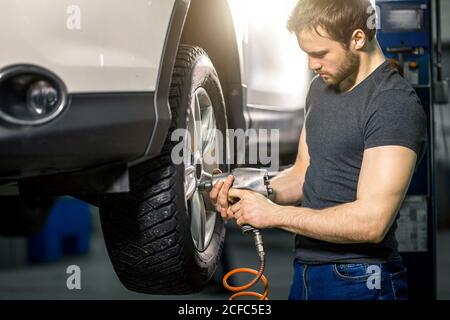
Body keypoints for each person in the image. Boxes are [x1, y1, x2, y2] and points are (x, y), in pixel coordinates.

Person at [209, 0, 427, 300]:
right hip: (306, 272)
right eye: (307, 53)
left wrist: (274, 215)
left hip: (360, 279)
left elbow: (372, 221)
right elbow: (302, 175)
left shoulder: (392, 104)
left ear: (358, 38)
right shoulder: (319, 89)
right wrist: (245, 188)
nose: (312, 64)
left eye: (320, 53)